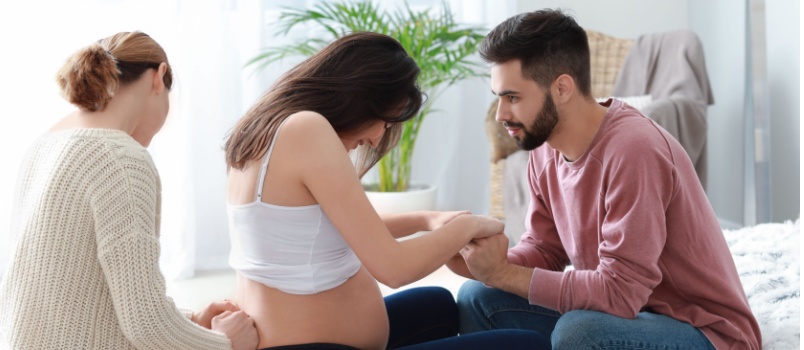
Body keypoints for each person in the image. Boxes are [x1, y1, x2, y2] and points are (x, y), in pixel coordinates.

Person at [446, 9, 762, 350]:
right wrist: (486, 265)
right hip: (628, 314)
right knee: (477, 296)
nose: (501, 115)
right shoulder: (543, 147)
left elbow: (620, 292)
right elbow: (545, 249)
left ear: (562, 88)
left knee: (578, 333)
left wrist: (505, 275)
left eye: (513, 97)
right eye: (499, 98)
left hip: (700, 328)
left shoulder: (634, 150)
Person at [224, 31, 549, 349]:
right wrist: (469, 227)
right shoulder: (307, 129)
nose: (379, 138)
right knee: (527, 344)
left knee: (437, 304)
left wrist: (428, 219)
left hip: (305, 336)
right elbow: (395, 269)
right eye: (386, 121)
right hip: (309, 344)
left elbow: (336, 227)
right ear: (360, 97)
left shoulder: (271, 127)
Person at [0, 31, 259, 350]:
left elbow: (82, 298)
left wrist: (192, 321)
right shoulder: (120, 158)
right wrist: (225, 343)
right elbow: (145, 325)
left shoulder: (44, 145)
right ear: (159, 77)